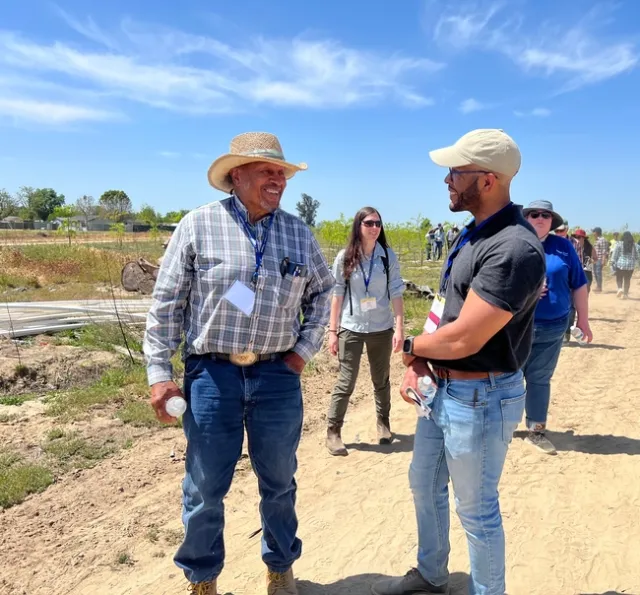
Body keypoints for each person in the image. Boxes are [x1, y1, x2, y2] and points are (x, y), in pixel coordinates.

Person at [143, 132, 334, 595]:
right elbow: (167, 303)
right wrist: (160, 374)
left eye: (282, 173)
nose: (278, 180)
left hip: (276, 375)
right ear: (236, 176)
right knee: (205, 486)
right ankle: (203, 579)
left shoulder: (298, 233)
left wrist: (301, 353)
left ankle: (280, 567)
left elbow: (324, 292)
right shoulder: (197, 226)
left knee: (279, 480)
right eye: (267, 172)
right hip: (212, 375)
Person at [373, 129, 546, 595]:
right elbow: (445, 309)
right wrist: (419, 361)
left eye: (456, 171)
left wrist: (410, 348)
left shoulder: (513, 247)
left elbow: (466, 336)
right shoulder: (474, 233)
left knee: (477, 510)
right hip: (446, 390)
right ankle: (431, 575)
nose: (447, 180)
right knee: (424, 485)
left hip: (481, 396)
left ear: (487, 180)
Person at [326, 207, 405, 455]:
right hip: (351, 327)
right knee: (346, 381)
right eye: (369, 223)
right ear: (358, 226)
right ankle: (333, 431)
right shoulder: (345, 257)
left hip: (381, 327)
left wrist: (400, 328)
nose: (374, 228)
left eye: (378, 223)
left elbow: (396, 292)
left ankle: (384, 424)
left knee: (380, 380)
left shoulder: (387, 256)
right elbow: (337, 294)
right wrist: (332, 330)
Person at [522, 202, 592, 454]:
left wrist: (582, 319)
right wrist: (526, 291)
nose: (540, 218)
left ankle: (536, 430)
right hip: (515, 328)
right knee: (507, 378)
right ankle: (501, 427)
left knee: (540, 378)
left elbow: (579, 285)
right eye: (534, 214)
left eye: (546, 215)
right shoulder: (514, 243)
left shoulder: (563, 247)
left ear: (552, 221)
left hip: (553, 327)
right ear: (526, 218)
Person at [611, 231, 638, 299]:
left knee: (619, 278)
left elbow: (615, 254)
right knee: (627, 279)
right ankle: (625, 294)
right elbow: (636, 256)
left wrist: (612, 262)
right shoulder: (634, 245)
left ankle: (620, 288)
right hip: (630, 265)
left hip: (621, 264)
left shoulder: (619, 244)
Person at [592, 226, 609, 292]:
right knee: (595, 273)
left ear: (596, 232)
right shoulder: (596, 240)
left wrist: (603, 260)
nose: (593, 233)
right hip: (595, 259)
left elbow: (604, 251)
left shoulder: (602, 240)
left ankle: (599, 287)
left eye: (594, 232)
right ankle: (598, 286)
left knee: (598, 273)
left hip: (599, 259)